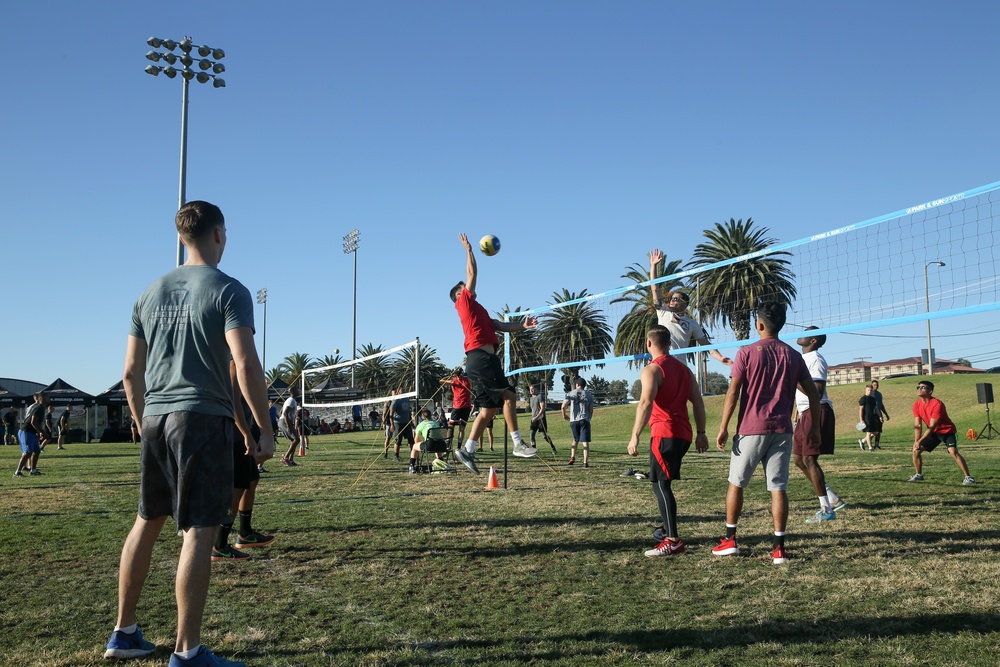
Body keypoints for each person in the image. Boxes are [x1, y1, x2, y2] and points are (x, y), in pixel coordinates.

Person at [104, 200, 274, 667]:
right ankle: (188, 652)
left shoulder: (148, 293)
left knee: (147, 520)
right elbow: (244, 363)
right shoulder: (229, 290)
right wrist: (263, 427)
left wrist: (142, 421)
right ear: (219, 234)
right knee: (199, 531)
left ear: (183, 238)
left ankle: (124, 632)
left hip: (156, 416)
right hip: (201, 419)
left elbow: (129, 373)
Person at [714, 301, 820, 565]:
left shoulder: (747, 353)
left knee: (736, 483)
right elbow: (814, 395)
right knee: (778, 488)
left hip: (751, 429)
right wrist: (815, 427)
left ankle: (730, 540)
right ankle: (779, 549)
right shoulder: (794, 355)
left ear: (759, 324)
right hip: (782, 430)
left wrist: (723, 427)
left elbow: (733, 392)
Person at [450, 233, 538, 474]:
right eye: (462, 288)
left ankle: (467, 449)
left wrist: (523, 325)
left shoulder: (479, 311)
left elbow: (500, 326)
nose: (466, 287)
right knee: (509, 396)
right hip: (481, 358)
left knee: (488, 410)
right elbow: (472, 274)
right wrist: (469, 250)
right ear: (459, 295)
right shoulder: (464, 303)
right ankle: (518, 443)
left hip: (482, 360)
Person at [627, 326, 709, 557]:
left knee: (661, 485)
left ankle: (672, 539)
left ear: (648, 344)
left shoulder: (652, 369)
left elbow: (645, 402)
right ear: (670, 343)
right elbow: (698, 403)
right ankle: (666, 528)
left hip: (665, 433)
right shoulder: (684, 370)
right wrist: (702, 432)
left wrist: (635, 435)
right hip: (684, 434)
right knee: (662, 482)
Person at [212, 360, 275, 561]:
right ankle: (219, 544)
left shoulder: (239, 360)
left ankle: (245, 533)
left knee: (251, 480)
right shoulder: (232, 362)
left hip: (239, 433)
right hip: (232, 434)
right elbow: (233, 400)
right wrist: (246, 434)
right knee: (237, 487)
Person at [792, 326, 846, 523]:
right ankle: (832, 498)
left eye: (806, 332)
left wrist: (793, 379)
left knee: (809, 460)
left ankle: (826, 510)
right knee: (799, 459)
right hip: (804, 413)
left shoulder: (815, 358)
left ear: (813, 340)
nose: (800, 334)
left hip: (818, 411)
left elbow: (817, 391)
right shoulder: (802, 358)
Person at [649, 248, 732, 367]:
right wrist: (653, 266)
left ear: (685, 305)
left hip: (680, 365)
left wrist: (721, 358)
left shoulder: (692, 323)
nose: (672, 300)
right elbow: (655, 288)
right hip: (662, 362)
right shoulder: (663, 312)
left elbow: (706, 345)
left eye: (676, 299)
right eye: (672, 298)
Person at [910, 380, 975, 485]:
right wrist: (916, 442)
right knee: (916, 450)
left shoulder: (937, 404)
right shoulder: (916, 405)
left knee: (953, 451)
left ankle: (969, 478)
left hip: (947, 431)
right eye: (918, 387)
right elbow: (918, 425)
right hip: (934, 433)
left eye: (923, 387)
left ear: (930, 391)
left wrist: (920, 440)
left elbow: (932, 426)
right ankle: (918, 475)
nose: (919, 389)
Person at [562, 378, 595, 467]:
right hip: (584, 419)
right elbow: (591, 410)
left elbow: (563, 406)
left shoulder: (570, 393)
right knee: (585, 442)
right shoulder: (589, 395)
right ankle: (585, 462)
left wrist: (564, 415)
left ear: (577, 384)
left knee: (575, 440)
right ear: (584, 385)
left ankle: (572, 457)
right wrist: (589, 418)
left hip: (574, 420)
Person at [13, 392, 48, 477]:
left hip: (32, 432)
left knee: (37, 451)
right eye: (48, 397)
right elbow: (33, 421)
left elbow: (36, 422)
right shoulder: (39, 407)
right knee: (28, 452)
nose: (49, 399)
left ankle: (33, 470)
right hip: (26, 431)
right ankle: (17, 472)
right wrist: (43, 432)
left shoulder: (42, 408)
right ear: (42, 398)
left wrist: (38, 432)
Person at [408, 408, 449, 473]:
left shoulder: (421, 425)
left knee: (414, 446)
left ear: (422, 416)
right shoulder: (436, 423)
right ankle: (442, 464)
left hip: (430, 445)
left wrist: (420, 446)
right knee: (436, 444)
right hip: (442, 445)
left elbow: (416, 440)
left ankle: (411, 466)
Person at [441, 368, 473, 447]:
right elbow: (441, 382)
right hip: (464, 407)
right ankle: (454, 445)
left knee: (452, 426)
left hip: (459, 406)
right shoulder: (464, 380)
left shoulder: (455, 380)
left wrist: (451, 376)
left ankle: (450, 445)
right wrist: (454, 376)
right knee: (458, 428)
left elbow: (441, 381)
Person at [529, 384, 556, 454]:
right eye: (530, 389)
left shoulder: (540, 396)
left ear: (536, 389)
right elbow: (532, 408)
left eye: (532, 389)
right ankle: (534, 450)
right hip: (533, 419)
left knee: (544, 436)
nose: (531, 390)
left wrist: (537, 417)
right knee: (531, 435)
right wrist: (533, 417)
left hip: (541, 419)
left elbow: (542, 408)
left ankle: (553, 447)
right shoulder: (531, 398)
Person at [389, 390, 414, 463]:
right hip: (398, 423)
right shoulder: (396, 401)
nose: (403, 391)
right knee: (398, 440)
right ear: (398, 392)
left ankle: (413, 455)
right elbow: (391, 414)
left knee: (411, 439)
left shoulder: (406, 399)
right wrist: (392, 424)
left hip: (406, 422)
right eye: (401, 390)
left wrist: (411, 420)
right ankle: (396, 456)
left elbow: (408, 411)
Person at [278, 387, 301, 466]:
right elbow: (285, 413)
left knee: (294, 440)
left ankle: (291, 460)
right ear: (293, 391)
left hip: (284, 421)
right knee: (296, 439)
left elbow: (281, 411)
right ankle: (285, 458)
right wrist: (287, 426)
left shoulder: (291, 400)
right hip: (285, 422)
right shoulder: (291, 400)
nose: (299, 391)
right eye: (298, 390)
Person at [858, 385, 881, 451]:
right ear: (866, 390)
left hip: (873, 417)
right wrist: (861, 419)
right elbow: (861, 410)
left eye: (871, 390)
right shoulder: (863, 399)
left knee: (876, 432)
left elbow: (876, 408)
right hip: (866, 417)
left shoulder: (873, 399)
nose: (869, 391)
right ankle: (870, 448)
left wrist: (879, 416)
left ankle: (862, 441)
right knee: (868, 432)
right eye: (868, 390)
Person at [869, 379, 890, 449]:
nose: (876, 386)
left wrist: (886, 414)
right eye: (874, 385)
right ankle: (864, 441)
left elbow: (881, 405)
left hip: (879, 414)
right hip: (873, 414)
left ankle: (876, 445)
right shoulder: (871, 394)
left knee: (879, 430)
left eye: (877, 385)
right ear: (872, 386)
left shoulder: (879, 394)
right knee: (875, 431)